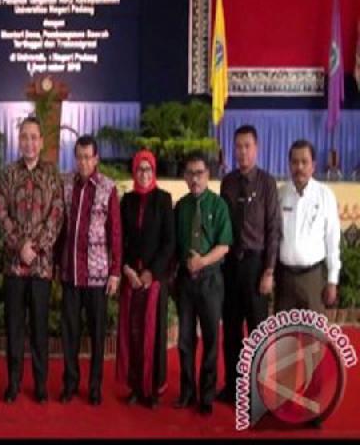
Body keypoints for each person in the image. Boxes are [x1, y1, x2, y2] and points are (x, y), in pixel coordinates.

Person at [0, 116, 64, 404]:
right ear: (19, 140)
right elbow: (1, 214)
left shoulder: (52, 175)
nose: (29, 142)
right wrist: (19, 245)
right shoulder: (7, 174)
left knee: (39, 329)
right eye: (24, 137)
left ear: (42, 142)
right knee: (14, 329)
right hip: (14, 266)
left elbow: (57, 215)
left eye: (34, 137)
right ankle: (13, 383)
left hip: (41, 268)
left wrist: (36, 247)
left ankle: (40, 385)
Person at [218, 125, 281, 405]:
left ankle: (257, 392)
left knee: (257, 331)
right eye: (238, 146)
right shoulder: (228, 182)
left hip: (256, 266)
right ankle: (232, 387)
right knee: (231, 330)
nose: (242, 152)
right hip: (231, 265)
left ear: (256, 148)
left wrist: (269, 271)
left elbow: (273, 229)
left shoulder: (267, 183)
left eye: (247, 146)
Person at [57, 135, 121, 406]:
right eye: (79, 157)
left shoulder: (108, 188)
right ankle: (70, 383)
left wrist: (115, 271)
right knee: (69, 333)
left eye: (88, 157)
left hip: (97, 275)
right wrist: (56, 263)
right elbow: (61, 227)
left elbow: (115, 232)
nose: (83, 162)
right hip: (71, 273)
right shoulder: (66, 184)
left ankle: (95, 387)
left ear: (96, 159)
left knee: (96, 335)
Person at [173, 151, 232, 416]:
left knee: (210, 339)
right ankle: (187, 392)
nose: (195, 179)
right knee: (185, 340)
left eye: (199, 173)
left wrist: (203, 261)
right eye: (190, 174)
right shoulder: (181, 207)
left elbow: (224, 245)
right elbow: (174, 244)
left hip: (210, 281)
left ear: (208, 175)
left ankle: (206, 396)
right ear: (185, 177)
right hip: (186, 282)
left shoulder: (218, 205)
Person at [116, 149, 175, 408]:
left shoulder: (163, 199)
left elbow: (169, 242)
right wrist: (127, 270)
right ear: (134, 171)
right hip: (131, 277)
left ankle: (153, 390)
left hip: (154, 279)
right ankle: (135, 387)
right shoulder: (127, 201)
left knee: (153, 334)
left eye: (148, 169)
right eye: (139, 169)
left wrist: (152, 272)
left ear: (154, 171)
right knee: (133, 333)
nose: (143, 174)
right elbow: (120, 239)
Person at [276, 139, 340, 314]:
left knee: (312, 330)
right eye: (295, 162)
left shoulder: (325, 195)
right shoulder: (280, 194)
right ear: (289, 165)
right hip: (285, 278)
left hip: (313, 278)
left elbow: (332, 241)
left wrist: (332, 281)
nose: (299, 167)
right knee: (284, 330)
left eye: (304, 162)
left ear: (313, 165)